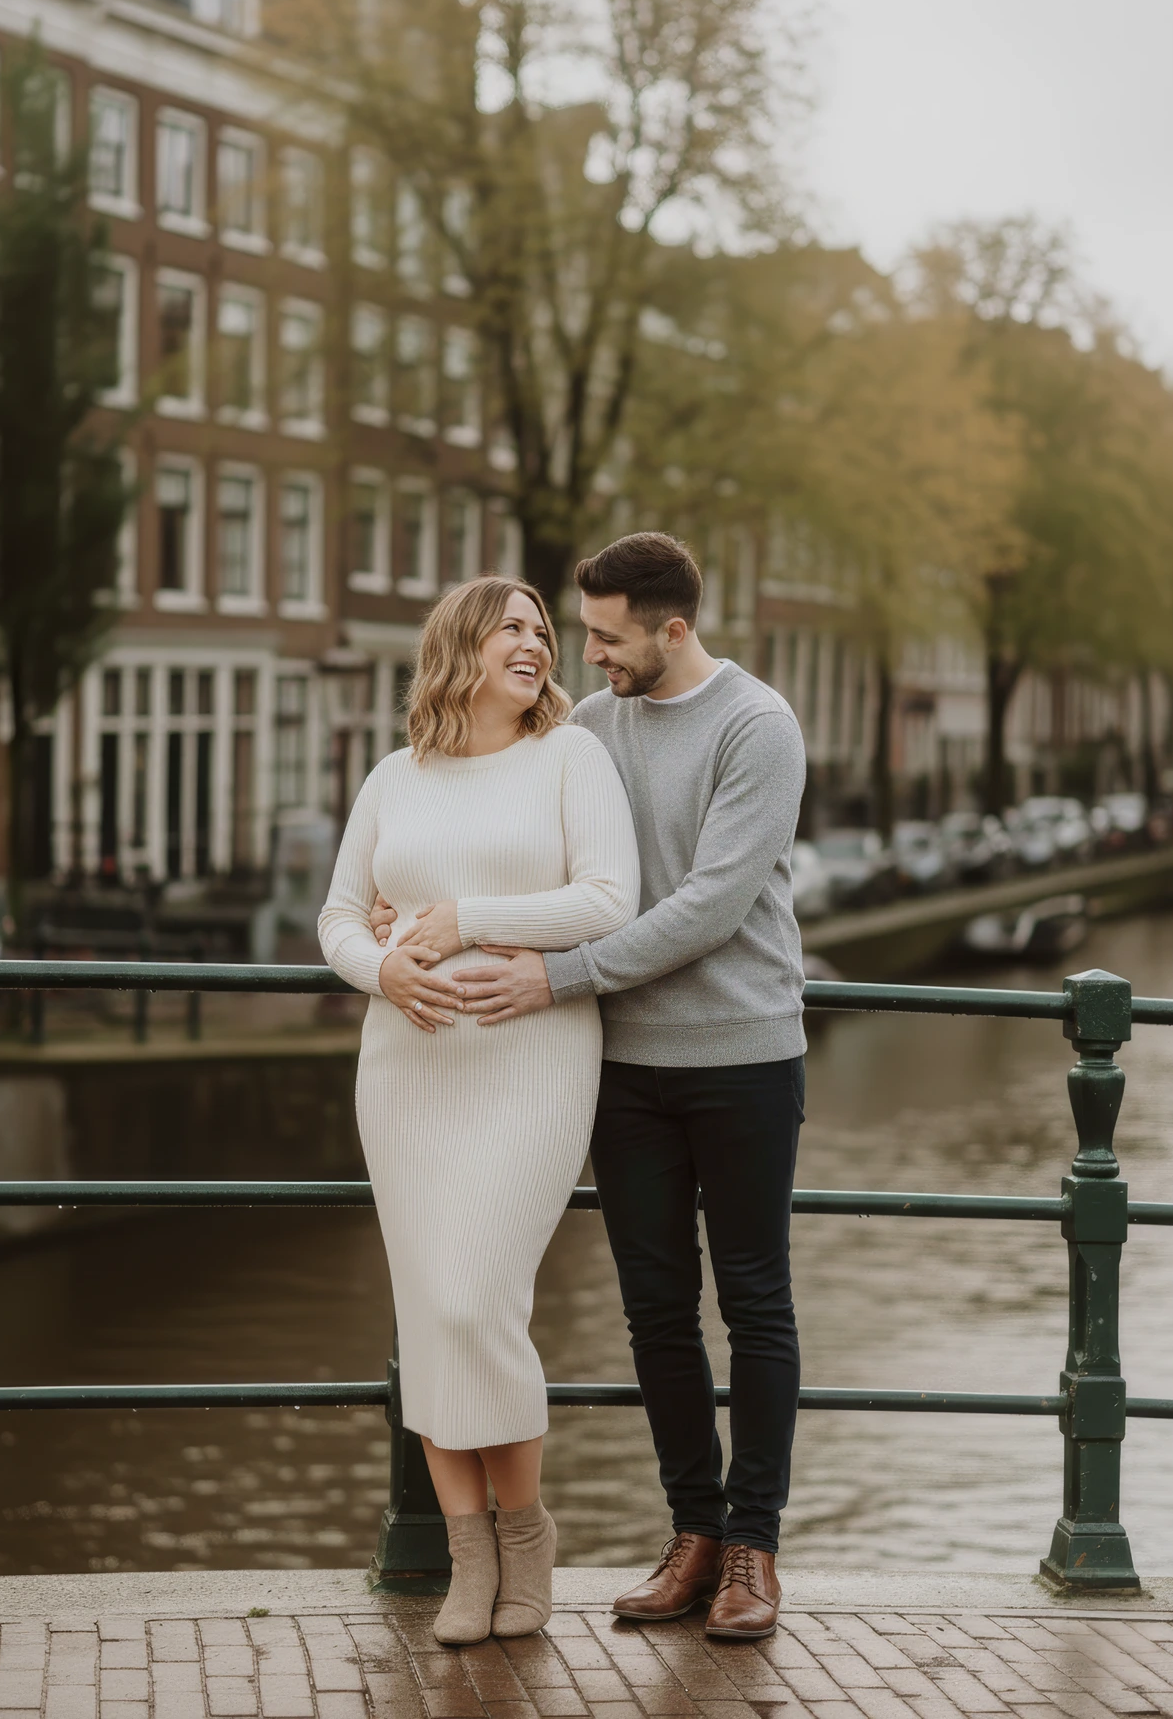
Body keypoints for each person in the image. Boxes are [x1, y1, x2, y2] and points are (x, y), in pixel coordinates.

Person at [373, 532, 806, 1640]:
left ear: (671, 629)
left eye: (609, 639)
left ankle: (752, 1547)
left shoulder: (757, 725)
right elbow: (501, 835)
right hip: (620, 1061)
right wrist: (399, 917)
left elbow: (708, 904)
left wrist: (558, 975)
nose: (589, 657)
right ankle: (692, 1534)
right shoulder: (590, 728)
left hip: (742, 1052)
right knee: (654, 1313)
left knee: (751, 1299)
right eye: (582, 636)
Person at [317, 574, 639, 1648]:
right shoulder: (393, 778)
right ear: (459, 643)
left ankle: (529, 1536)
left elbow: (605, 901)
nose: (536, 643)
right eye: (513, 626)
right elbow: (335, 915)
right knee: (427, 1309)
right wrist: (381, 972)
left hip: (530, 1061)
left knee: (474, 1298)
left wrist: (459, 922)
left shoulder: (570, 757)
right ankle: (469, 1556)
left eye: (543, 631)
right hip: (405, 1071)